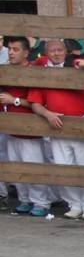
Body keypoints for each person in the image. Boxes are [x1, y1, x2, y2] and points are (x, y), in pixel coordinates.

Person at [28, 37, 84, 221]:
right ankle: (74, 204)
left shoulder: (73, 63)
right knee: (64, 167)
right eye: (52, 50)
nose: (56, 53)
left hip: (81, 124)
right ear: (46, 53)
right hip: (57, 126)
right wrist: (48, 114)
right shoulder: (42, 71)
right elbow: (35, 103)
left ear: (65, 51)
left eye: (59, 50)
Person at [0, 35, 54, 218]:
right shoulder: (6, 71)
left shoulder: (33, 71)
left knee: (33, 165)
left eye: (16, 50)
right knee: (16, 167)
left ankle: (41, 202)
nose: (12, 53)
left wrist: (13, 100)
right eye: (10, 49)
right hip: (10, 127)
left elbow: (36, 101)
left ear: (25, 52)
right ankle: (25, 200)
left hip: (30, 129)